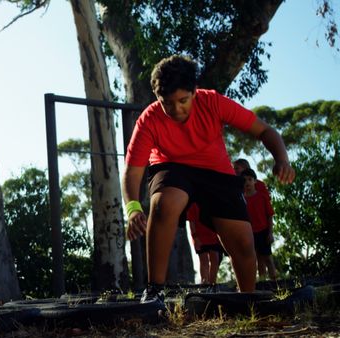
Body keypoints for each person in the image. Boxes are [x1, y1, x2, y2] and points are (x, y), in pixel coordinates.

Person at [121, 55, 295, 303]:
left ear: (194, 92)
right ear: (158, 98)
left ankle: (247, 301)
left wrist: (282, 159)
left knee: (243, 242)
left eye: (183, 101)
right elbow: (133, 170)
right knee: (164, 203)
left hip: (216, 172)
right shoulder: (150, 119)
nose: (176, 110)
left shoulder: (212, 101)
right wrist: (133, 208)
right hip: (172, 167)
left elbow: (265, 130)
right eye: (167, 103)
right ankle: (154, 292)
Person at [240, 168, 278, 281]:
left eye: (250, 179)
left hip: (263, 231)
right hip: (250, 234)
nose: (247, 182)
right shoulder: (241, 200)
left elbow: (270, 215)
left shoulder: (262, 197)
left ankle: (275, 283)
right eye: (244, 180)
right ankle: (263, 284)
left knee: (268, 259)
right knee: (258, 259)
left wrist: (270, 233)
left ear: (255, 181)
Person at [186, 203, 224, 288]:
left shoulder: (213, 201)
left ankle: (212, 284)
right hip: (199, 237)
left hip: (214, 235)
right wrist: (195, 237)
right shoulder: (193, 204)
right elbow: (191, 222)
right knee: (204, 260)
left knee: (215, 259)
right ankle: (205, 283)